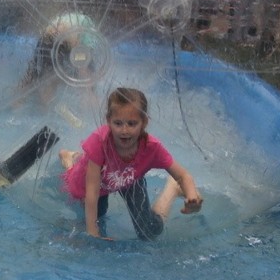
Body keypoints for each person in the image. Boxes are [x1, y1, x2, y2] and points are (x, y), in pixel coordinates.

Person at [58, 87, 203, 240]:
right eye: (118, 123)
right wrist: (93, 232)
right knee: (94, 214)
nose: (124, 130)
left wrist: (192, 195)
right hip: (97, 180)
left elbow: (183, 175)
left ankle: (171, 188)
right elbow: (92, 191)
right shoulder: (99, 142)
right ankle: (70, 159)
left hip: (130, 176)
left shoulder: (151, 148)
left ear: (144, 123)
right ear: (108, 121)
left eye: (132, 124)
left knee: (148, 232)